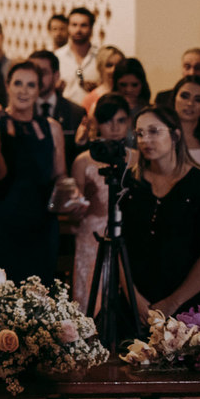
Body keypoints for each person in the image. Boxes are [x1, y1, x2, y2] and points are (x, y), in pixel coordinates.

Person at [0, 61, 67, 284]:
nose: (23, 90)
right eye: (18, 83)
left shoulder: (52, 127)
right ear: (8, 86)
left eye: (30, 85)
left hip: (42, 226)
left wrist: (71, 196)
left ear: (38, 90)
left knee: (39, 296)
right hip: (3, 222)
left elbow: (60, 175)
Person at [122, 106, 200, 323]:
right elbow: (116, 245)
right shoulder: (129, 183)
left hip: (188, 304)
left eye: (154, 131)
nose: (145, 140)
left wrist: (173, 302)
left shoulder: (199, 183)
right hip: (136, 302)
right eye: (139, 133)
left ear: (175, 135)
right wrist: (134, 298)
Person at [68, 93, 132, 313]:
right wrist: (82, 203)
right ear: (97, 123)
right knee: (90, 300)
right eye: (107, 121)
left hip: (127, 231)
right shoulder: (83, 160)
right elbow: (73, 210)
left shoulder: (136, 159)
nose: (114, 127)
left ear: (129, 122)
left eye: (121, 120)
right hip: (91, 235)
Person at [55, 7, 99, 105]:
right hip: (65, 113)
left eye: (83, 25)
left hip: (93, 113)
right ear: (68, 27)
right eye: (74, 25)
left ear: (91, 28)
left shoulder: (100, 57)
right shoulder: (57, 56)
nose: (78, 30)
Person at [79, 45, 125, 116]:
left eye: (118, 65)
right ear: (100, 68)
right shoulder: (89, 100)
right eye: (109, 65)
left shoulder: (129, 94)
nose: (114, 70)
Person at [170, 75, 200, 167]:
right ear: (174, 99)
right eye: (184, 96)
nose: (190, 103)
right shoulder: (159, 135)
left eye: (198, 99)